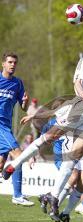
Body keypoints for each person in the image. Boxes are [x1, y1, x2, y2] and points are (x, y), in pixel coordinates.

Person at [2, 32, 83, 222]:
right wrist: (82, 93)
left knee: (74, 157)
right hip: (79, 108)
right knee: (49, 137)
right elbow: (77, 82)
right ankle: (14, 164)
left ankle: (54, 196)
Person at [0, 52, 34, 206]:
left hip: (6, 125)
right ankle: (17, 195)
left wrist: (25, 102)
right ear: (3, 64)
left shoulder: (18, 83)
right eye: (10, 62)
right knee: (19, 156)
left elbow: (23, 107)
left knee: (1, 164)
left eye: (15, 63)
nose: (12, 65)